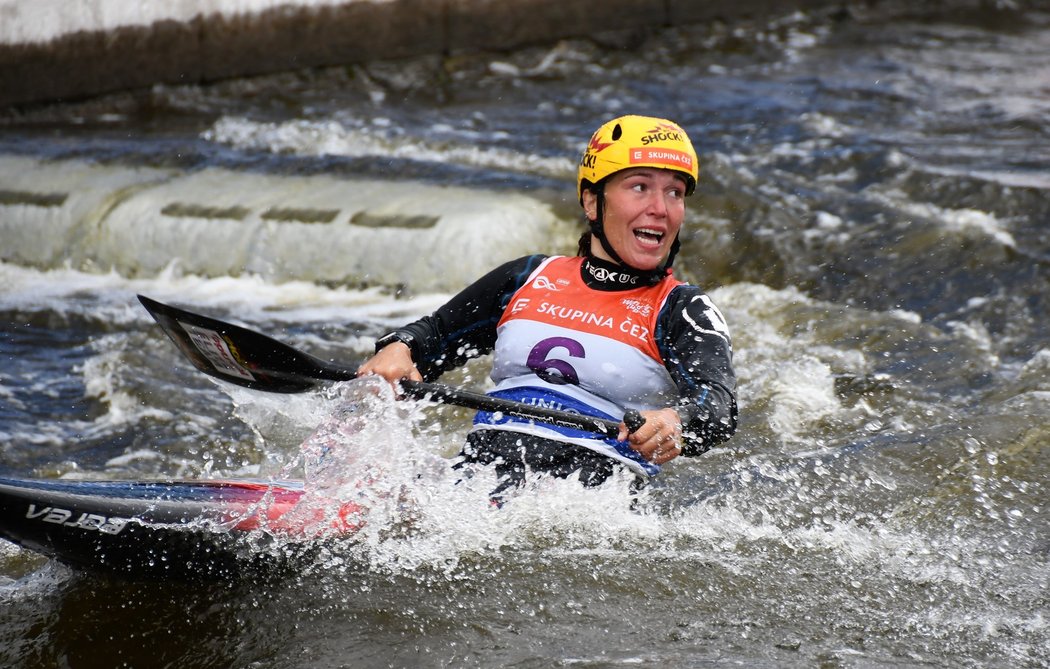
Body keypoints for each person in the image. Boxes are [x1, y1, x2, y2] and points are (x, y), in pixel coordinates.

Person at [357, 115, 737, 499]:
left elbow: (719, 406)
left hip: (590, 502)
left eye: (674, 193)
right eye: (639, 187)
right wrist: (400, 348)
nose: (661, 208)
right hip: (474, 485)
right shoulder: (527, 276)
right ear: (592, 201)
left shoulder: (681, 309)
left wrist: (676, 419)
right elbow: (432, 337)